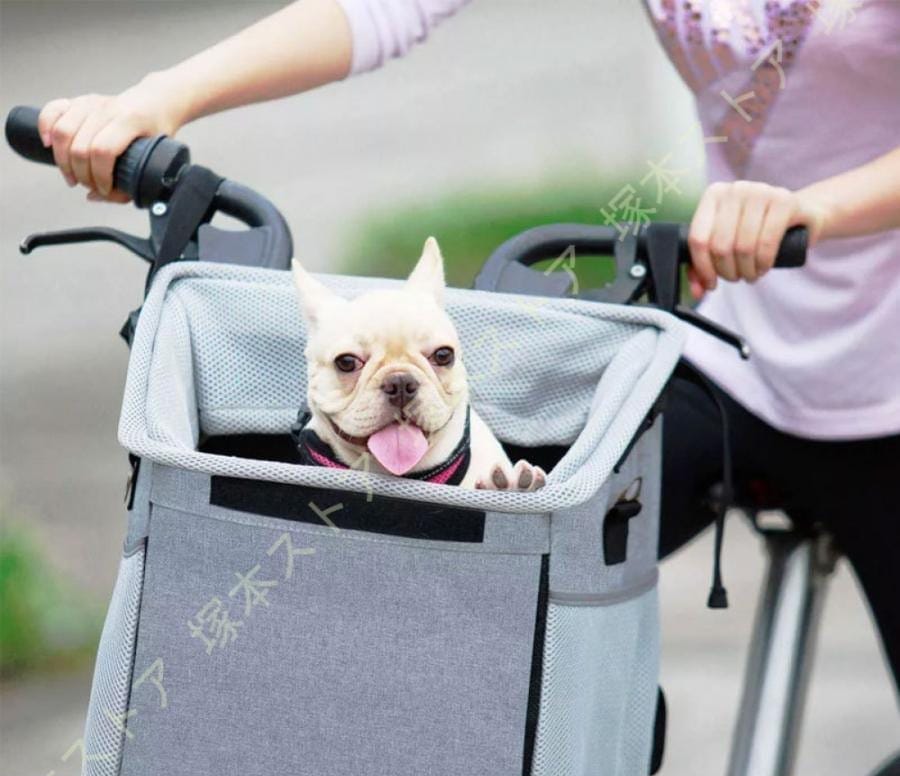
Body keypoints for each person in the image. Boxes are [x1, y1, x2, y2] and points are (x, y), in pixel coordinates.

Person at [37, 0, 900, 688]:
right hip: (730, 356)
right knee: (477, 605)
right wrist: (162, 97)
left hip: (889, 383)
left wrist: (817, 208)